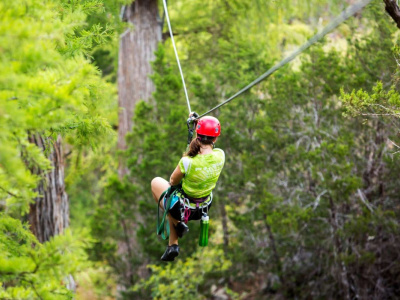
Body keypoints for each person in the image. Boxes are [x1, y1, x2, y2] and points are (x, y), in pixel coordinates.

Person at [151, 115, 225, 261]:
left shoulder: (187, 161)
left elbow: (172, 181)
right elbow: (207, 150)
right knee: (170, 201)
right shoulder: (220, 156)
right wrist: (200, 126)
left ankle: (178, 225)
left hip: (182, 209)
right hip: (203, 208)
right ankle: (172, 245)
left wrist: (197, 130)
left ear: (197, 135)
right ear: (215, 139)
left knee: (157, 184)